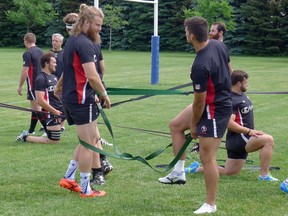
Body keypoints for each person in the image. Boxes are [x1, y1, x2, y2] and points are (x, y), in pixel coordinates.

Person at [158, 16, 232, 214]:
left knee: (207, 157)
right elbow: (229, 69)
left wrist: (193, 126)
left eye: (185, 31)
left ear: (191, 35)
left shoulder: (200, 65)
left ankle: (210, 204)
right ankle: (178, 172)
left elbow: (199, 102)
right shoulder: (219, 45)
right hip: (212, 102)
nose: (185, 34)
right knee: (175, 126)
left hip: (216, 109)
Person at [185, 70, 279, 182]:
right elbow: (229, 123)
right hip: (239, 138)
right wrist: (249, 131)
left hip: (240, 138)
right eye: (246, 82)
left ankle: (196, 169)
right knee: (268, 140)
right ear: (239, 83)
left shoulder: (240, 96)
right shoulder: (232, 100)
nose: (247, 84)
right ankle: (264, 175)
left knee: (229, 172)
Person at [57, 4, 111, 198]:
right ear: (86, 22)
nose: (100, 28)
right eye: (97, 24)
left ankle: (68, 177)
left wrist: (58, 87)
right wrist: (104, 94)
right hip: (82, 100)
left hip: (73, 98)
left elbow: (70, 70)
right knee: (89, 143)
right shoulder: (85, 43)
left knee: (87, 140)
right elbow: (93, 76)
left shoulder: (73, 40)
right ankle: (86, 188)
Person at [16, 52, 64, 144]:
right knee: (53, 141)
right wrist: (54, 111)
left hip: (60, 109)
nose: (56, 64)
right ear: (46, 63)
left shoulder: (54, 77)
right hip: (50, 112)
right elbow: (40, 100)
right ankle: (25, 137)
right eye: (53, 62)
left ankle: (94, 138)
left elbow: (58, 93)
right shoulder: (40, 79)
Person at [16, 33, 46, 140]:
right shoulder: (42, 52)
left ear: (25, 41)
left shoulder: (28, 53)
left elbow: (25, 71)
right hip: (43, 82)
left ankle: (48, 131)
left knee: (37, 108)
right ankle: (31, 130)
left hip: (34, 84)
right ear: (35, 40)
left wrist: (20, 86)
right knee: (34, 109)